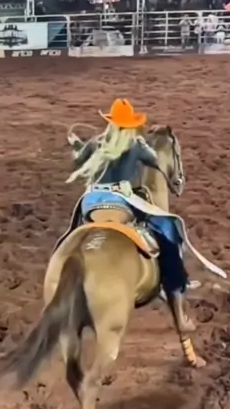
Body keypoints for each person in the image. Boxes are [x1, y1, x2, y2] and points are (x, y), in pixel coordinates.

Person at [66, 98, 193, 329]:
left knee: (72, 233)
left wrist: (77, 145)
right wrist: (144, 145)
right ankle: (176, 292)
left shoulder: (96, 143)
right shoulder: (135, 146)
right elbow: (155, 161)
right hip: (120, 201)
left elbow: (78, 162)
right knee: (168, 231)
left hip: (91, 202)